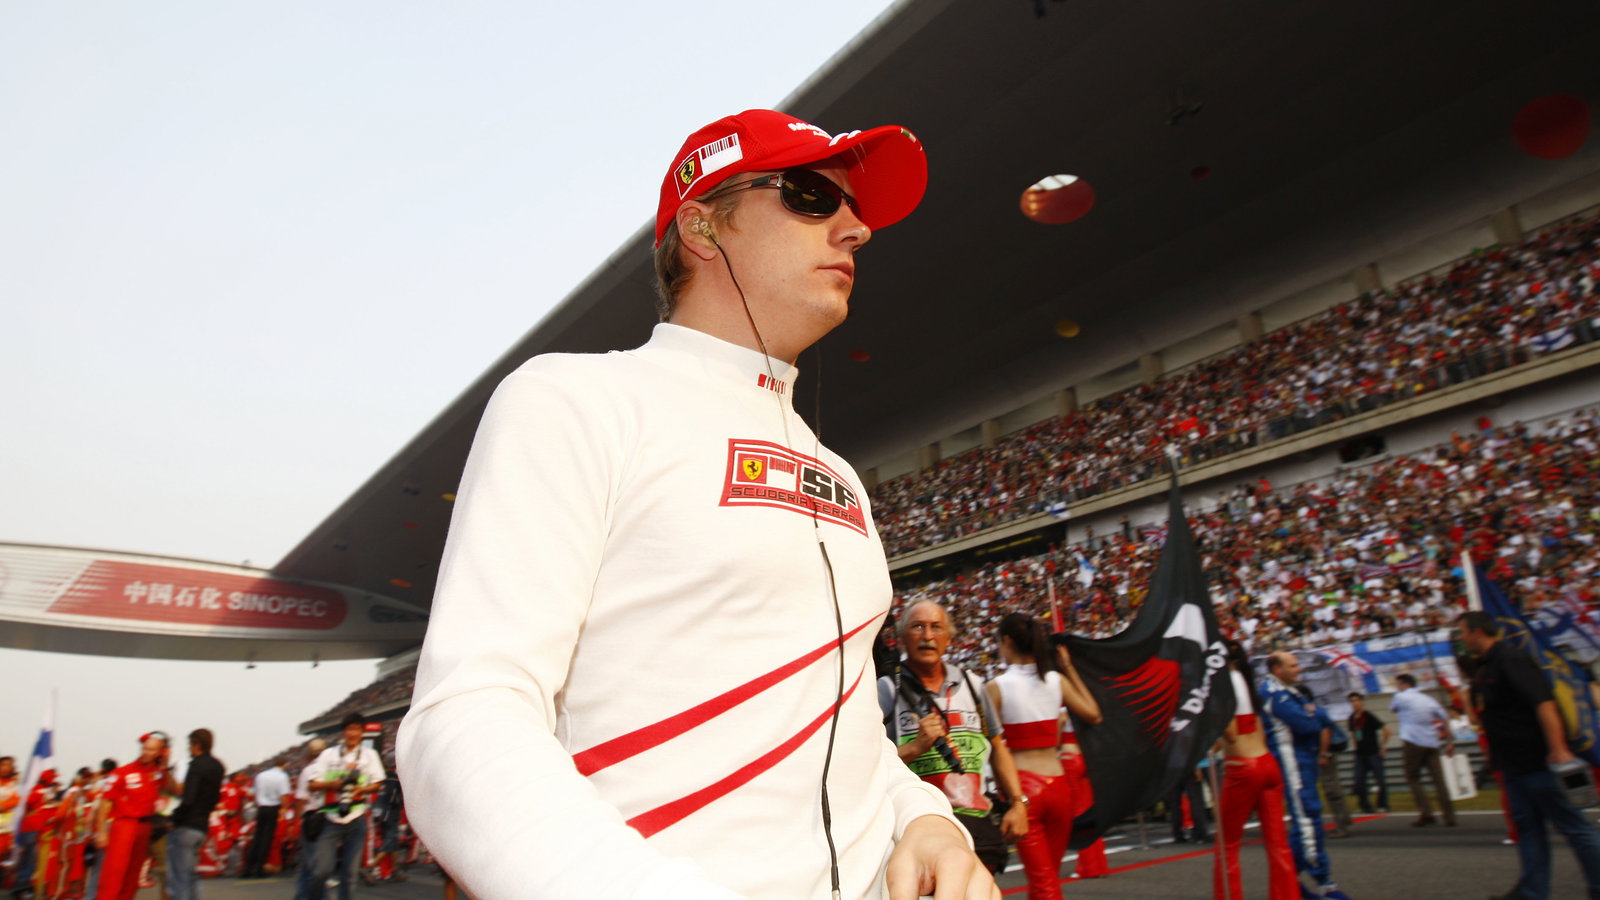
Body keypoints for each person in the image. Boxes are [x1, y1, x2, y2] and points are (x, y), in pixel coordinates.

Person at [398, 108, 996, 900]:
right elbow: (463, 717)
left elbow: (840, 728)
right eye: (813, 196)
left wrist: (924, 818)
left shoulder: (841, 475)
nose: (856, 229)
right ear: (703, 226)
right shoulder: (575, 400)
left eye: (854, 209)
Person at [879, 601, 1030, 875]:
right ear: (901, 638)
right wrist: (916, 747)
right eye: (918, 626)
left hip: (977, 826)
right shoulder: (887, 689)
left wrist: (1018, 803)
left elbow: (997, 746)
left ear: (949, 638)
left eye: (936, 627)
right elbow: (873, 763)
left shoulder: (973, 685)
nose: (927, 636)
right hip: (921, 826)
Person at [1457, 611, 1600, 900]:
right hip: (1512, 765)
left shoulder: (1511, 659)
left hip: (1538, 760)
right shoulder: (1485, 667)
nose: (1461, 638)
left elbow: (1543, 703)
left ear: (1477, 631)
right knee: (1528, 828)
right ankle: (1532, 891)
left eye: (1462, 632)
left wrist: (1558, 748)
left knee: (1574, 827)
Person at [983, 612, 1101, 900]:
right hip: (1060, 786)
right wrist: (1069, 668)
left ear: (1007, 641)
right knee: (1048, 880)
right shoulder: (1056, 680)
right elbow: (1093, 714)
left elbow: (990, 745)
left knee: (1043, 884)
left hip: (1024, 789)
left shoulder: (996, 687)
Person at [1259, 652, 1350, 900]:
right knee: (1306, 819)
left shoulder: (1290, 691)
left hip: (1304, 761)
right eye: (1293, 665)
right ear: (1277, 669)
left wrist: (1314, 714)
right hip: (1292, 763)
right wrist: (1313, 714)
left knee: (1310, 817)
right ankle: (1323, 883)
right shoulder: (1272, 692)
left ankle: (1289, 881)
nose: (1299, 669)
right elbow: (1308, 723)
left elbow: (1323, 718)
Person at [1213, 643, 1298, 900]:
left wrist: (1208, 714)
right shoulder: (1247, 684)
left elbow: (1230, 734)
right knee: (1278, 843)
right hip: (1266, 762)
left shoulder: (1223, 685)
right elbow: (1251, 729)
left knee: (1227, 845)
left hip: (1242, 767)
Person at [304, 715, 385, 900]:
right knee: (321, 871)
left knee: (349, 874)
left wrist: (361, 789)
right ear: (343, 732)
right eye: (349, 729)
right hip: (329, 818)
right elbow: (312, 784)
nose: (352, 734)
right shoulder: (328, 754)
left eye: (356, 729)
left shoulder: (369, 755)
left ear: (362, 732)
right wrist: (331, 784)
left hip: (356, 817)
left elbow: (377, 783)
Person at [91, 733, 177, 900]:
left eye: (151, 750)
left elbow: (174, 791)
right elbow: (105, 803)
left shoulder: (159, 774)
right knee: (114, 872)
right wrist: (101, 831)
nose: (146, 752)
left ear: (160, 752)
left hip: (145, 827)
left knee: (133, 874)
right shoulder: (122, 773)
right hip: (124, 825)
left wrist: (166, 767)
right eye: (144, 748)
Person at [1389, 673, 1456, 827]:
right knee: (1438, 779)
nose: (1397, 687)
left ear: (1405, 684)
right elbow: (1444, 717)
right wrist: (1450, 741)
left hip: (1412, 740)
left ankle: (1426, 812)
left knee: (1412, 776)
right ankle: (1449, 816)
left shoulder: (1400, 696)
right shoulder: (1428, 699)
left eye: (1398, 684)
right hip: (1431, 741)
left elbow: (1392, 709)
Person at [167, 729, 223, 900]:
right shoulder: (218, 766)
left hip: (187, 825)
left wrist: (174, 818)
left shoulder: (197, 765)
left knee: (180, 878)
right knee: (192, 875)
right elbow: (215, 798)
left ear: (196, 745)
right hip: (202, 824)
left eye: (189, 745)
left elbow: (188, 798)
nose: (188, 749)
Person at [289, 738, 326, 900]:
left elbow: (301, 800)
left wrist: (294, 823)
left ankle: (308, 895)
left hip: (311, 817)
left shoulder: (308, 770)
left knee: (310, 862)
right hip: (325, 816)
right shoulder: (328, 768)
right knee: (313, 862)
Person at [242, 759, 289, 879]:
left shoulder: (261, 775)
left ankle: (247, 868)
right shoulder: (282, 777)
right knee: (266, 840)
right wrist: (285, 810)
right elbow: (284, 796)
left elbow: (255, 792)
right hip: (273, 808)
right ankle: (259, 868)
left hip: (261, 807)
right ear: (283, 766)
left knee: (257, 838)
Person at [1345, 693, 1390, 813]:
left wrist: (1383, 746)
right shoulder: (1351, 718)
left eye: (1356, 701)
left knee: (1380, 780)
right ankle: (1364, 805)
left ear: (1362, 702)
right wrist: (1356, 748)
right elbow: (1354, 735)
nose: (1354, 703)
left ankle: (1382, 804)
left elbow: (1386, 730)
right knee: (1359, 781)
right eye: (1352, 701)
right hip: (1360, 754)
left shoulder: (1368, 716)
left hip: (1373, 752)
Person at [0, 757, 19, 891]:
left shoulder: (12, 785)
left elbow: (15, 800)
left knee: (3, 856)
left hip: (6, 829)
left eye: (9, 765)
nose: (6, 768)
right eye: (3, 765)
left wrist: (3, 805)